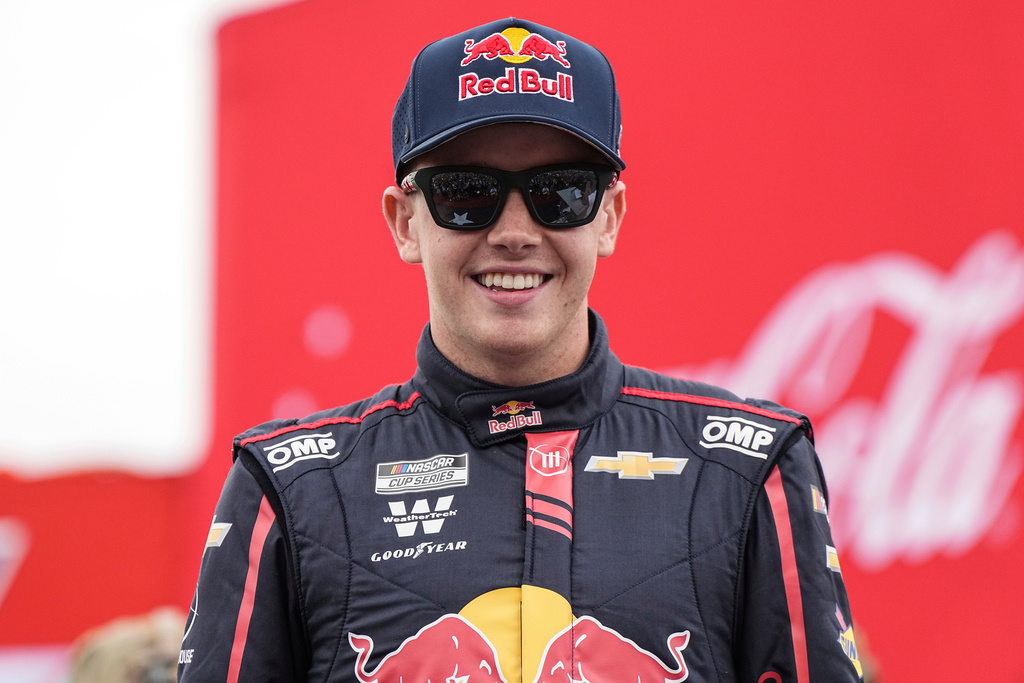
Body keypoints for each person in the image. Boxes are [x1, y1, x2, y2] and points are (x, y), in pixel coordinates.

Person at [178, 17, 863, 683]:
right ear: (405, 222)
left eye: (558, 193)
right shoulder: (288, 491)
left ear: (610, 216)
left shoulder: (751, 469)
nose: (513, 231)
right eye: (466, 194)